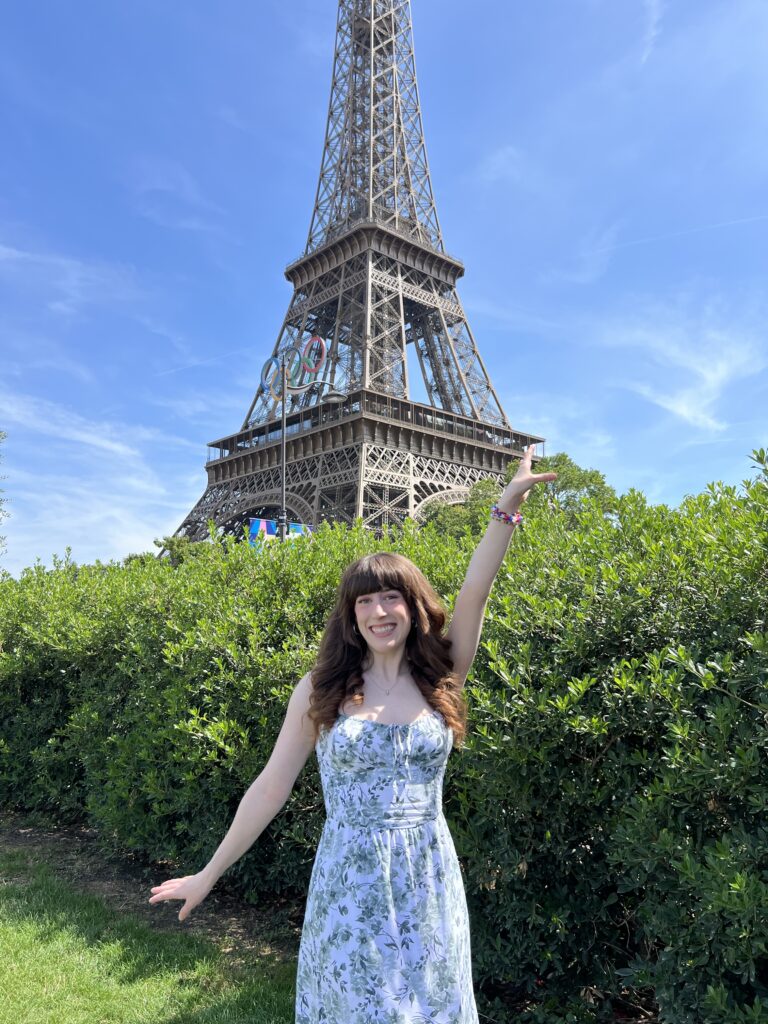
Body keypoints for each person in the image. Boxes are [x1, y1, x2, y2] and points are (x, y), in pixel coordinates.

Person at [149, 443, 557, 1021]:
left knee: (428, 1006)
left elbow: (475, 592)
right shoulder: (322, 689)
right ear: (352, 614)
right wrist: (209, 874)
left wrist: (505, 509)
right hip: (349, 878)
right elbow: (270, 787)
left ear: (414, 608)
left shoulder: (441, 675)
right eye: (366, 600)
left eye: (392, 596)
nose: (380, 611)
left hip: (427, 875)